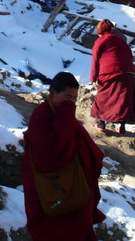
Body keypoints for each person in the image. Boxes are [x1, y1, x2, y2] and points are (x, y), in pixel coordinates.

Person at [22, 72, 105, 240]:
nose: (71, 103)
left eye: (74, 99)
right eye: (67, 97)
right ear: (53, 93)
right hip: (53, 193)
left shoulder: (63, 116)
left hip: (74, 193)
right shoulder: (41, 117)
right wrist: (66, 115)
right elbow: (51, 154)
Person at [89, 19, 135, 135]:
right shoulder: (121, 40)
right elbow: (130, 56)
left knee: (103, 97)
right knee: (123, 99)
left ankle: (101, 124)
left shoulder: (100, 41)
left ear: (99, 31)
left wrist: (93, 78)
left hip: (109, 72)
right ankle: (121, 127)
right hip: (128, 72)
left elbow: (95, 61)